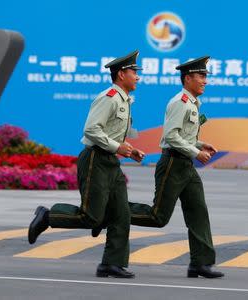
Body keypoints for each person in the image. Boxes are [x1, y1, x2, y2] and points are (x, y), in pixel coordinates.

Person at [27, 50, 145, 278]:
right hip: (95, 161)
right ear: (121, 74)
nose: (137, 77)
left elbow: (112, 134)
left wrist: (128, 150)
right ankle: (47, 216)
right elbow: (91, 130)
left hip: (110, 162)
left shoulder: (125, 100)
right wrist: (116, 146)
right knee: (91, 217)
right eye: (133, 72)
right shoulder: (109, 97)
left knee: (122, 214)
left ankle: (112, 263)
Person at [126, 56, 223, 278]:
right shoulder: (179, 102)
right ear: (188, 78)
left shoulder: (193, 103)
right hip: (172, 164)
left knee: (198, 211)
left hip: (185, 164)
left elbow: (183, 135)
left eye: (206, 76)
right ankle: (115, 211)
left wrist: (199, 144)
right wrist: (196, 152)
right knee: (158, 217)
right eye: (201, 76)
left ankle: (201, 263)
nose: (205, 81)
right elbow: (170, 136)